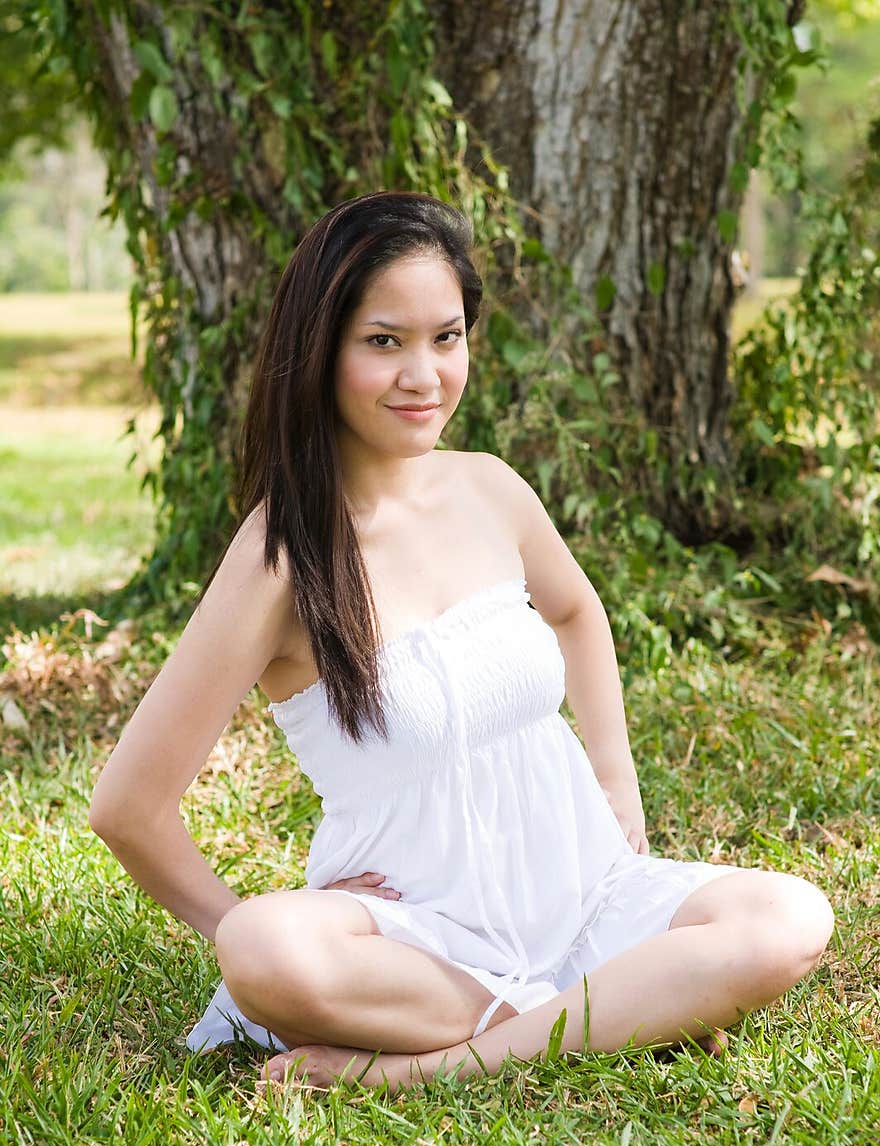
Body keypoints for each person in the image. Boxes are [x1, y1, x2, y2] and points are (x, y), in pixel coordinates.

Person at [88, 189, 836, 1095]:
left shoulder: (488, 488)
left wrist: (615, 781)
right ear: (319, 351)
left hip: (585, 889)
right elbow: (128, 805)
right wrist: (235, 925)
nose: (424, 374)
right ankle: (616, 1011)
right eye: (384, 341)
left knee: (791, 915)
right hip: (425, 941)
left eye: (447, 337)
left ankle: (425, 1071)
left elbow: (576, 612)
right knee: (261, 949)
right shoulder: (280, 557)